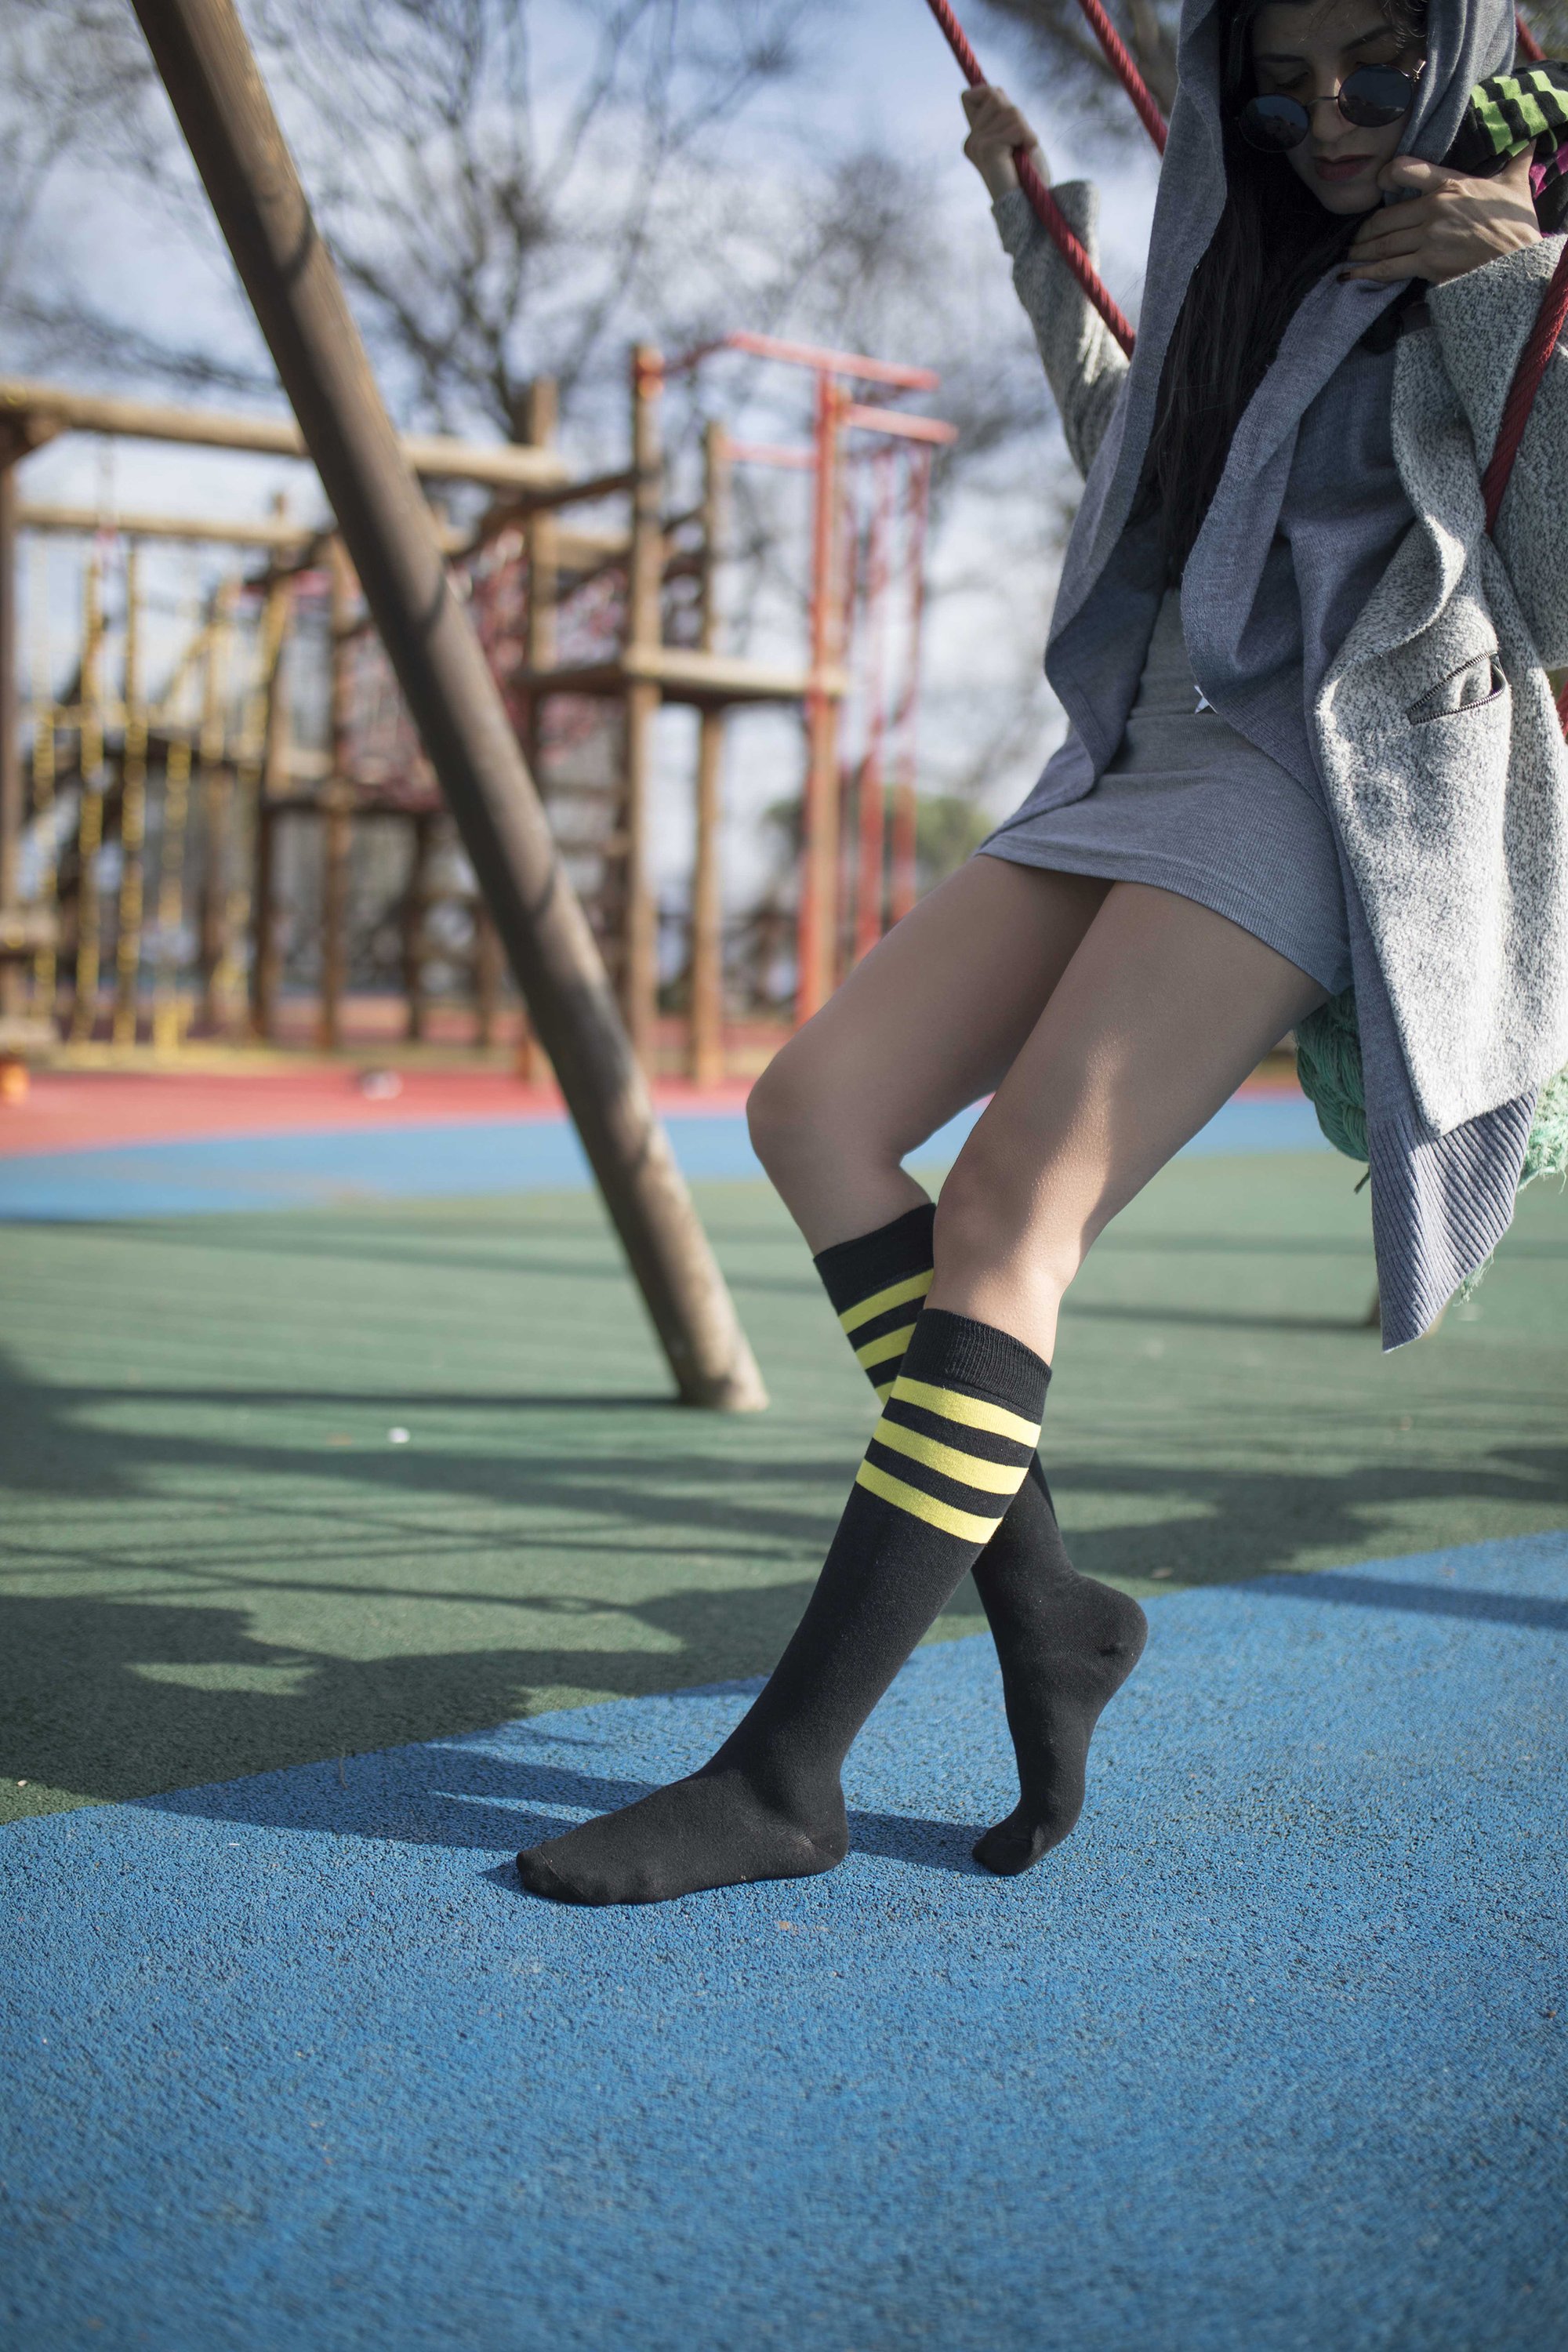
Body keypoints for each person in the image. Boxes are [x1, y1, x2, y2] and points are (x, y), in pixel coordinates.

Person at [517, 0, 1567, 1907]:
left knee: (1014, 1206)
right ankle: (1049, 1602)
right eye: (1279, 86)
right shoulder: (1261, 264)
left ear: (1460, 49)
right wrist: (1033, 223)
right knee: (815, 1110)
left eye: (1371, 70)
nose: (1326, 118)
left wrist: (1512, 280)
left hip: (1318, 772)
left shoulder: (1515, 259)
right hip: (1141, 745)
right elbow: (1143, 464)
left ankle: (785, 1774)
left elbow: (1555, 572)